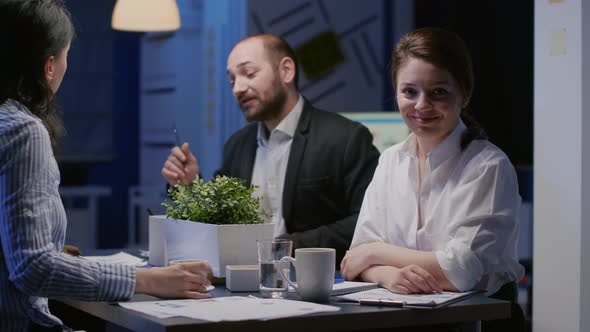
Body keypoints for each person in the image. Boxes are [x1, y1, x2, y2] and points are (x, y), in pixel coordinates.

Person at [0, 1, 212, 331]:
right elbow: (33, 268)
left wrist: (55, 252)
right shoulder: (22, 130)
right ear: (49, 67)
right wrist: (148, 280)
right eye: (66, 55)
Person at [162, 34, 380, 265]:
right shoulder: (237, 145)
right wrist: (190, 187)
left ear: (286, 71)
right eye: (232, 80)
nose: (238, 88)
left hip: (317, 282)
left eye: (249, 73)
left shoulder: (345, 138)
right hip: (244, 284)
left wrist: (286, 248)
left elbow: (367, 221)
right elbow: (219, 223)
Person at [340, 27, 524, 298]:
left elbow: (460, 272)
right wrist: (388, 275)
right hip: (404, 315)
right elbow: (353, 261)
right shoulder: (390, 160)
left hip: (480, 320)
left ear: (464, 94)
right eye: (409, 91)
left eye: (438, 92)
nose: (421, 105)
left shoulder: (488, 166)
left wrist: (375, 253)